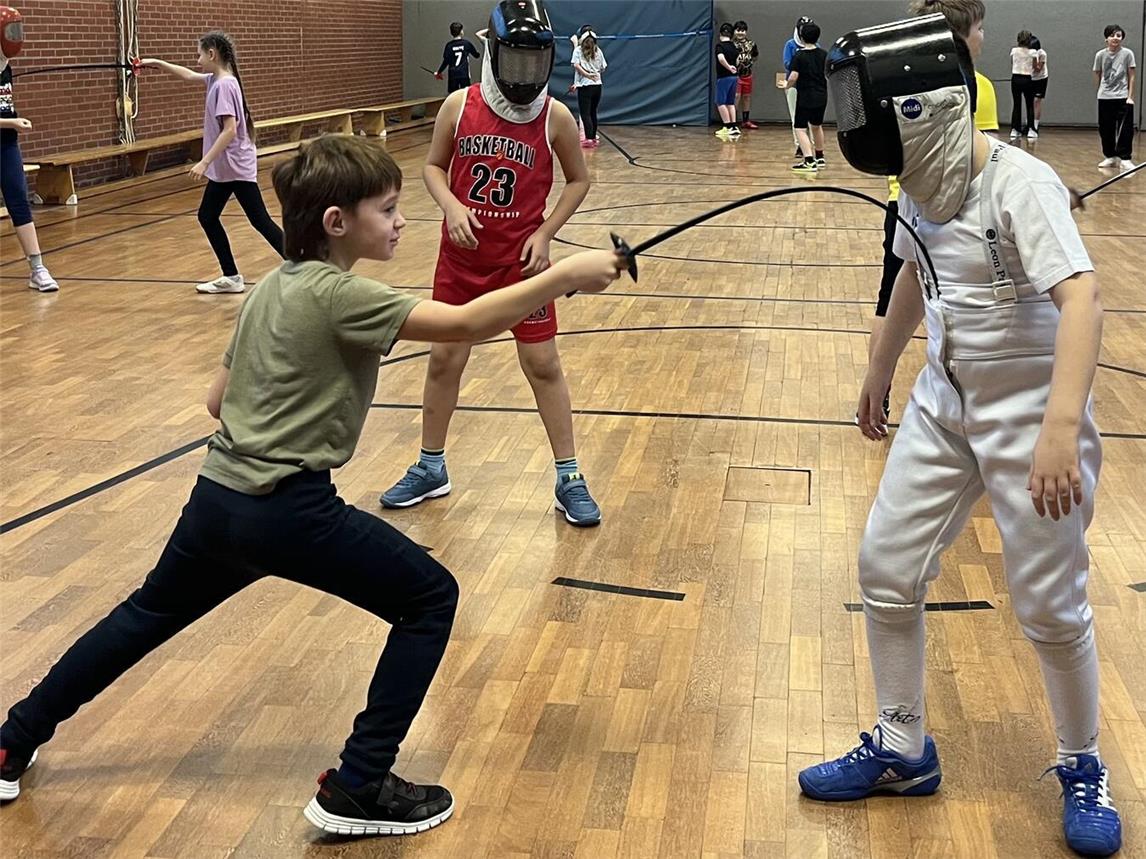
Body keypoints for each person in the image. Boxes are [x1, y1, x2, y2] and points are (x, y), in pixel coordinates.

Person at [0, 133, 624, 834]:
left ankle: (12, 739)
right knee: (430, 598)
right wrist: (564, 274)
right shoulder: (342, 294)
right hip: (290, 511)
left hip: (216, 499)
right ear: (336, 222)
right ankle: (358, 784)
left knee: (142, 617)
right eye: (387, 210)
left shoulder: (270, 288)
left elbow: (217, 399)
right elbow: (468, 322)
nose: (400, 221)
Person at [810, 14, 1123, 858]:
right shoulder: (918, 182)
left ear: (920, 107)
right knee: (886, 565)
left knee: (1051, 606)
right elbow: (915, 273)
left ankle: (1082, 760)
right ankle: (904, 746)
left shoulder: (1020, 183)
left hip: (1032, 416)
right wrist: (880, 367)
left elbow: (1083, 300)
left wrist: (1061, 425)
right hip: (945, 404)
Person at [381, 0, 605, 528]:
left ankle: (569, 475)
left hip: (520, 266)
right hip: (460, 262)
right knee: (444, 361)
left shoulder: (555, 116)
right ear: (495, 53)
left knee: (543, 365)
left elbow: (579, 179)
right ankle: (431, 465)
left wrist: (547, 233)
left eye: (535, 62)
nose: (525, 74)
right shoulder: (459, 105)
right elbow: (434, 167)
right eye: (516, 61)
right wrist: (452, 205)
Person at [142, 32, 284, 294]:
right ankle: (231, 276)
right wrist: (157, 63)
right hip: (227, 168)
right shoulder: (215, 80)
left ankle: (305, 268)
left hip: (234, 166)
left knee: (258, 220)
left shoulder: (224, 85)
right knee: (208, 216)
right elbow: (186, 75)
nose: (197, 61)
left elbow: (230, 129)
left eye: (199, 54)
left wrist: (204, 162)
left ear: (212, 54)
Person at [0, 5, 58, 292]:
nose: (15, 37)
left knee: (19, 202)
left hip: (7, 146)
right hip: (7, 134)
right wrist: (9, 122)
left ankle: (37, 268)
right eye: (10, 31)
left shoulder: (5, 67)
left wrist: (10, 124)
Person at [781, 21, 828, 173]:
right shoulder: (824, 54)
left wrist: (786, 85)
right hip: (822, 95)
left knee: (800, 128)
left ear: (801, 36)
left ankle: (808, 160)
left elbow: (794, 76)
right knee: (816, 126)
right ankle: (820, 157)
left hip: (806, 96)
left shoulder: (799, 56)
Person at [1094, 24, 1136, 170]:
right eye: (1112, 35)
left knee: (1125, 128)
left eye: (1118, 35)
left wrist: (1130, 96)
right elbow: (1098, 74)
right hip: (1105, 97)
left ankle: (1125, 158)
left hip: (1122, 96)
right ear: (1106, 38)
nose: (1115, 38)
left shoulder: (1128, 54)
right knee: (1106, 128)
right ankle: (1110, 156)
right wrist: (1100, 92)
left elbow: (1131, 75)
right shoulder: (1100, 55)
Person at [781, 17, 815, 157]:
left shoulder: (815, 46)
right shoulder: (790, 45)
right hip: (794, 85)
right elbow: (787, 63)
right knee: (796, 118)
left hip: (810, 86)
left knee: (812, 119)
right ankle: (800, 146)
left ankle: (812, 144)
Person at [572, 30, 605, 147]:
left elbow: (576, 65)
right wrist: (593, 73)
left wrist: (586, 75)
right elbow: (603, 68)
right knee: (593, 112)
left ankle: (589, 139)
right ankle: (593, 138)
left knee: (585, 113)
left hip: (586, 86)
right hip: (598, 86)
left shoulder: (578, 50)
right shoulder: (599, 51)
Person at [436, 22, 480, 94]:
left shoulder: (449, 46)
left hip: (453, 75)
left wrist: (439, 72)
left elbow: (446, 61)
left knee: (453, 96)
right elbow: (476, 55)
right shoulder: (466, 44)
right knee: (465, 95)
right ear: (461, 32)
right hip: (464, 74)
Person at [1009, 30, 1036, 140]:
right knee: (1029, 105)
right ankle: (1031, 129)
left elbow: (1013, 62)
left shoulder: (1014, 51)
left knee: (1016, 104)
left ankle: (1015, 129)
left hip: (1015, 78)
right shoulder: (1033, 52)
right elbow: (1034, 66)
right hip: (1027, 78)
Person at [714, 23, 740, 140]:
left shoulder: (720, 46)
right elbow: (738, 60)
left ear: (720, 34)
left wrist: (729, 67)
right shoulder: (734, 46)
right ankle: (734, 126)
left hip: (724, 77)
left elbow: (720, 58)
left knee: (720, 102)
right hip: (734, 77)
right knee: (730, 102)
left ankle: (727, 126)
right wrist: (734, 69)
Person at [733, 21, 759, 129]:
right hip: (735, 75)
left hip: (747, 74)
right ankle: (732, 121)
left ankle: (745, 120)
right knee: (736, 96)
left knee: (747, 97)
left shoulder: (751, 44)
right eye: (738, 30)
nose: (740, 33)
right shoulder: (732, 44)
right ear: (734, 31)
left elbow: (755, 56)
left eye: (743, 30)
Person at [1030, 34, 1048, 136]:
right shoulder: (1026, 53)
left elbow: (1037, 69)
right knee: (1030, 101)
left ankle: (1035, 125)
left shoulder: (1042, 54)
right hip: (1030, 78)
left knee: (1037, 101)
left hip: (1041, 78)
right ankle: (1029, 123)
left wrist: (1033, 59)